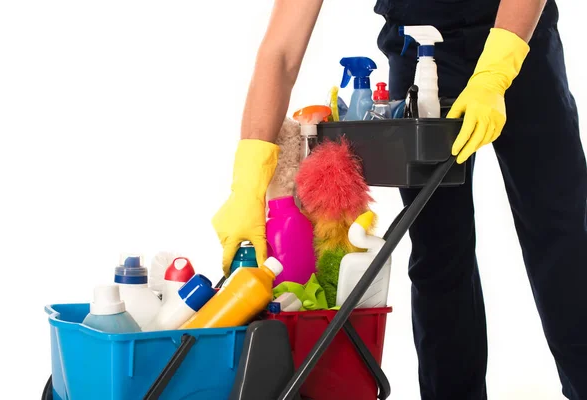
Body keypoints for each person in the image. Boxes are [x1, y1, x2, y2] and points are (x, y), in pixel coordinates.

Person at [211, 0, 587, 398]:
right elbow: (281, 51)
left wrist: (494, 73)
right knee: (438, 250)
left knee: (560, 234)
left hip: (519, 41)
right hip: (421, 53)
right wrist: (249, 177)